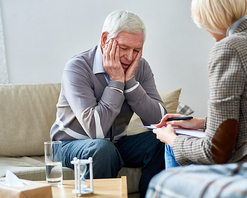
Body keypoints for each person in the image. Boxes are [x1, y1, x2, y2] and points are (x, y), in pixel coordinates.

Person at [152, 0, 247, 171]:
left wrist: (172, 139)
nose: (207, 30)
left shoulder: (228, 48)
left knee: (173, 147)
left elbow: (215, 152)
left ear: (211, 18)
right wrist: (200, 123)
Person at [50, 10, 166, 197]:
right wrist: (117, 81)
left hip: (115, 143)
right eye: (123, 48)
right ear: (105, 39)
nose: (129, 57)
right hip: (69, 145)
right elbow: (96, 131)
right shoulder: (77, 67)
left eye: (136, 50)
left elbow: (160, 120)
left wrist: (131, 84)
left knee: (163, 139)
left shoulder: (140, 67)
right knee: (102, 149)